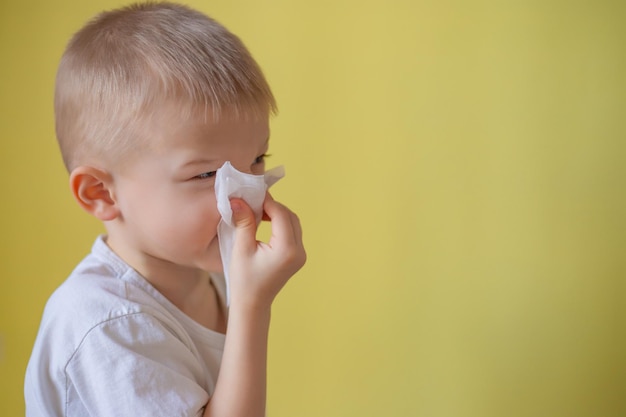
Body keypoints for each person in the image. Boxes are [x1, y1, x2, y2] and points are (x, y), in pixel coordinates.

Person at [24, 2, 306, 416]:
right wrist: (252, 306)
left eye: (258, 160)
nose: (245, 196)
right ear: (101, 193)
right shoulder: (104, 323)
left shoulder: (209, 276)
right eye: (207, 174)